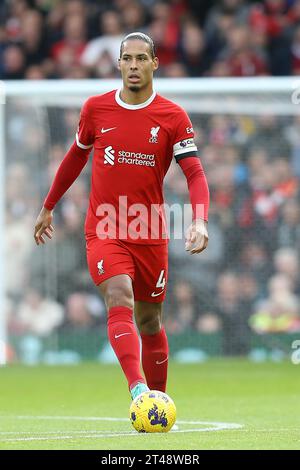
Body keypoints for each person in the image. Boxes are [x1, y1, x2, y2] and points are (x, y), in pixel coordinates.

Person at [34, 32, 209, 400]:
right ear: (118, 63)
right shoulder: (96, 109)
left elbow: (194, 173)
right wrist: (49, 205)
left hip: (149, 230)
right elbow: (75, 157)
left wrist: (199, 219)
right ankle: (139, 390)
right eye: (126, 58)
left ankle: (158, 401)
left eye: (141, 58)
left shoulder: (172, 116)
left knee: (150, 320)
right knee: (119, 296)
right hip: (104, 226)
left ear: (154, 63)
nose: (133, 65)